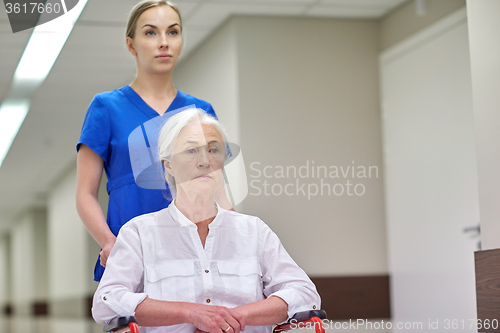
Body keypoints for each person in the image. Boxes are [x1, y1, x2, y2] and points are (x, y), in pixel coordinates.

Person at [92, 109, 321, 333]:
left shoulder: (254, 231)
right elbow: (106, 302)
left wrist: (234, 318)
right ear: (168, 165)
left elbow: (305, 294)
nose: (205, 161)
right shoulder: (139, 233)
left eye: (214, 150)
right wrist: (190, 313)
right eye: (191, 151)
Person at [76, 0, 226, 282]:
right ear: (131, 45)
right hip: (131, 254)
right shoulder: (106, 108)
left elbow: (218, 191)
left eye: (172, 32)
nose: (163, 42)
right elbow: (85, 193)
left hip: (195, 253)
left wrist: (233, 242)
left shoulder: (200, 111)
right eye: (150, 33)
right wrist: (110, 243)